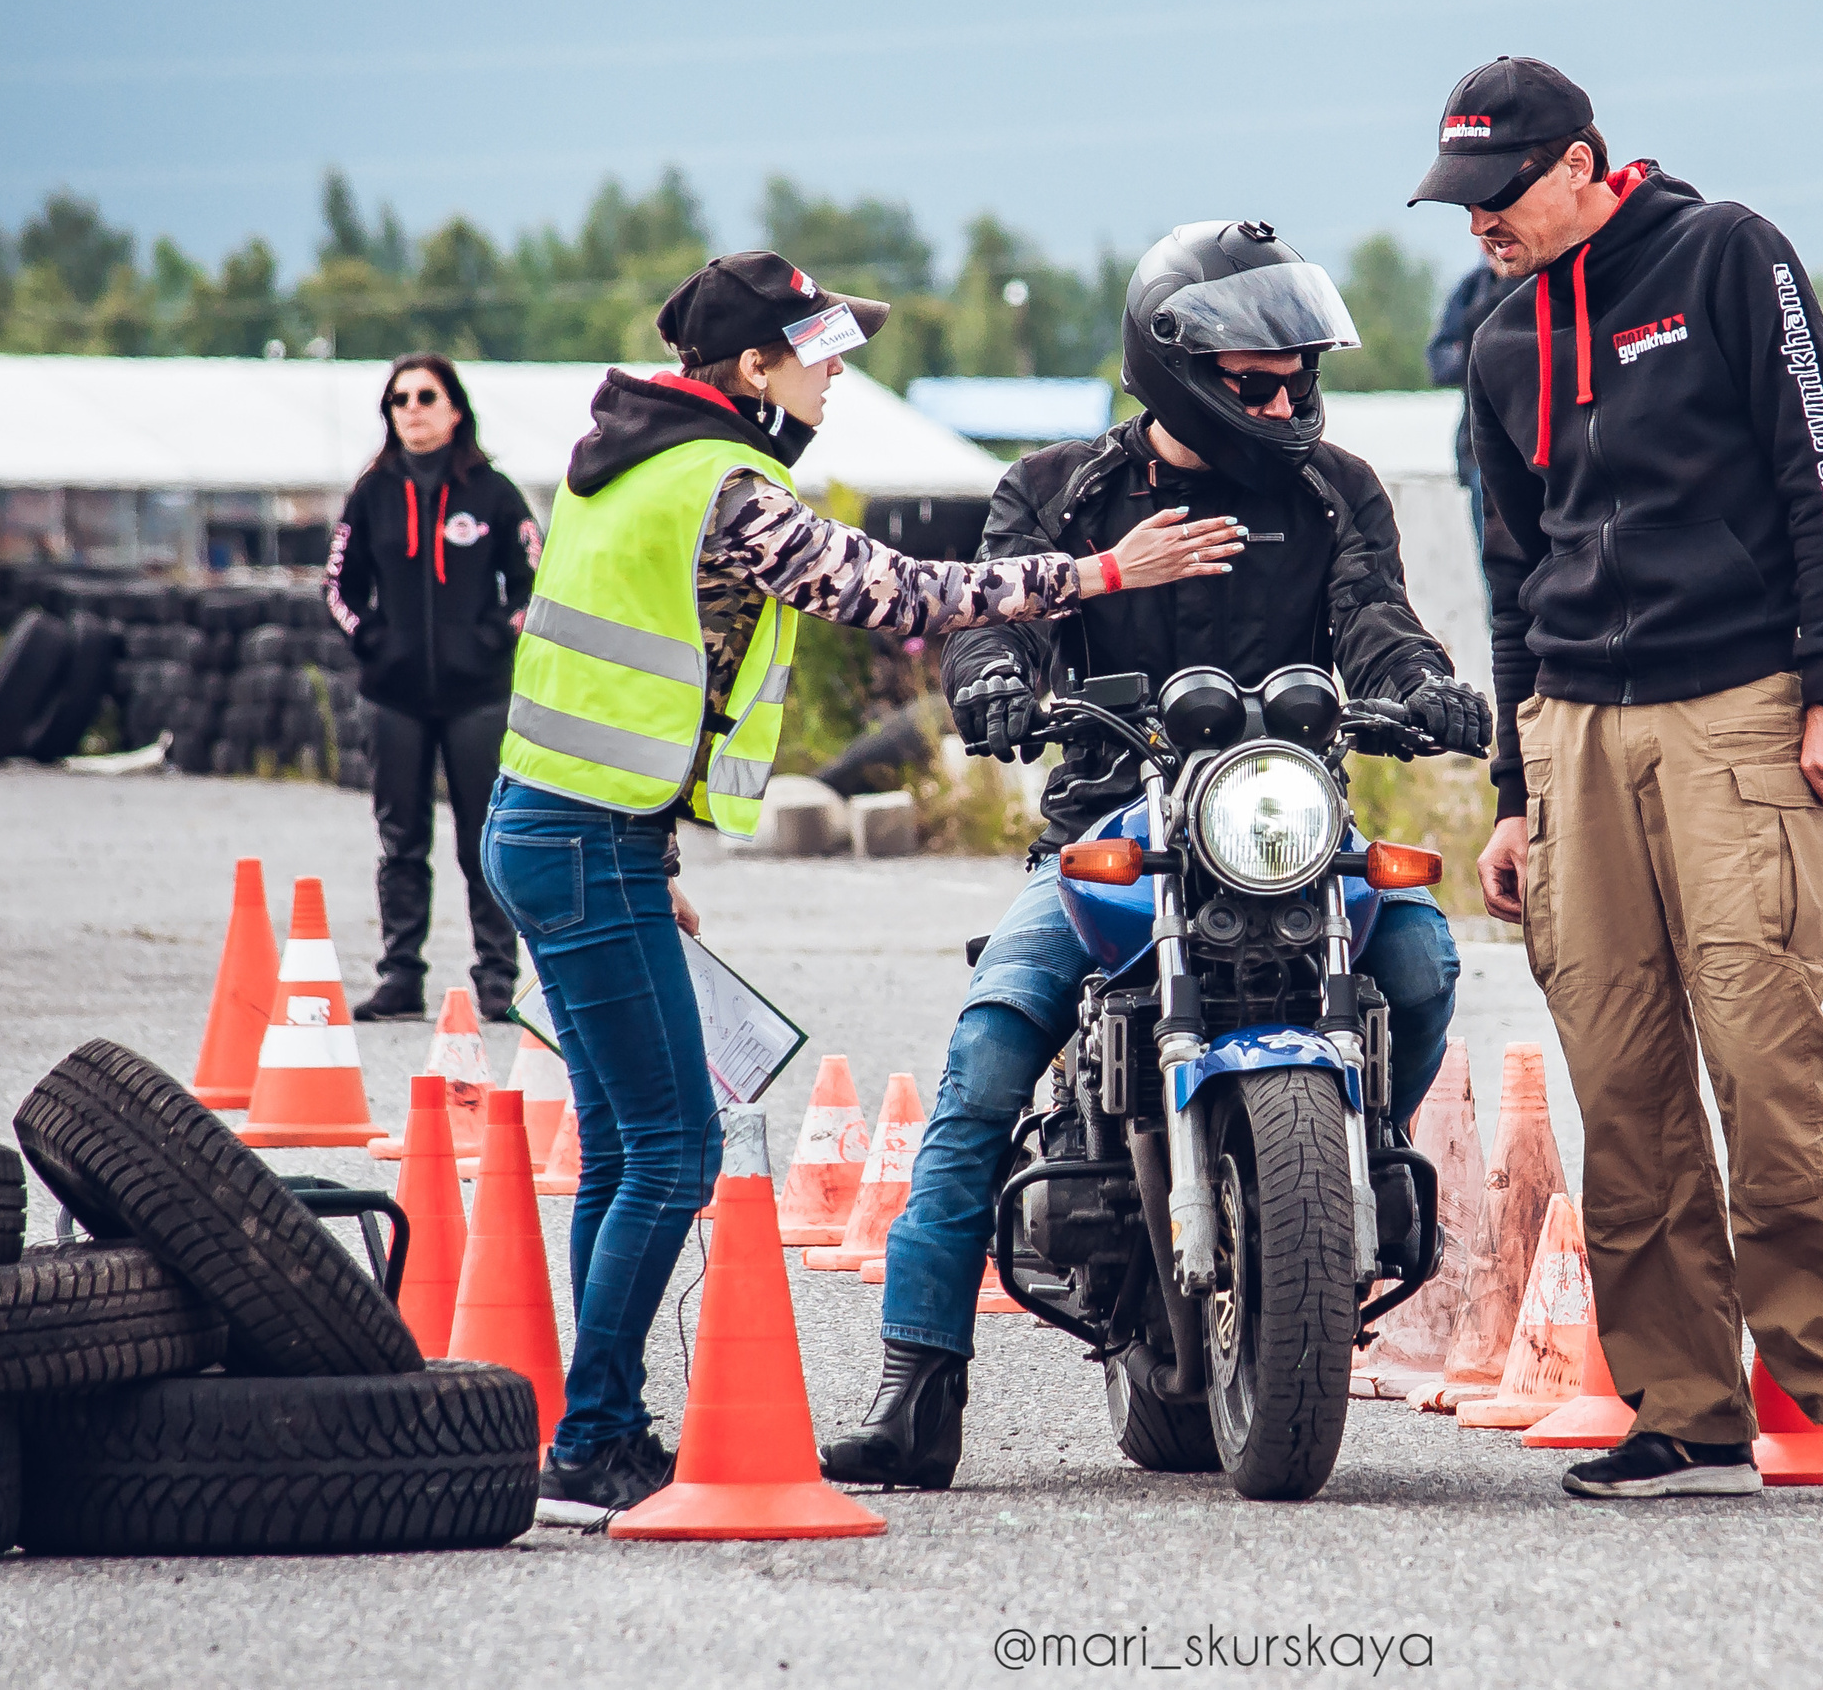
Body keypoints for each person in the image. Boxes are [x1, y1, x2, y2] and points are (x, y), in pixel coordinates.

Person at [481, 251, 1243, 1525]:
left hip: (568, 831)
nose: (837, 376)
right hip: (582, 839)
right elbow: (900, 591)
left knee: (625, 1144)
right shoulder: (720, 484)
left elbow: (621, 679)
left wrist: (655, 854)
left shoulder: (633, 461)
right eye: (821, 354)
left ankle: (595, 1424)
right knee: (670, 1151)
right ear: (753, 369)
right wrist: (1107, 572)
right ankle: (592, 1440)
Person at [820, 220, 1492, 1491]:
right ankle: (915, 1389)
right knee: (983, 1060)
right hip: (1106, 826)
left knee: (1419, 959)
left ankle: (1340, 1192)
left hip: (1284, 820)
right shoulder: (1060, 488)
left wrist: (1427, 688)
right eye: (1259, 381)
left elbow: (1379, 625)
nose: (1287, 398)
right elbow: (993, 615)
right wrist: (996, 686)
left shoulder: (1334, 488)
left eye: (1299, 376)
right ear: (1178, 365)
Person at [1414, 55, 1823, 1502]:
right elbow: (1511, 576)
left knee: (1771, 1062)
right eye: (1461, 200)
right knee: (1622, 1085)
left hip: (1736, 708)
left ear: (1582, 161)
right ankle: (1686, 1407)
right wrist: (1515, 786)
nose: (1478, 225)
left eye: (1497, 195)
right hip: (1574, 726)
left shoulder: (1725, 253)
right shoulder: (1500, 343)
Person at [324, 353, 537, 1024]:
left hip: (478, 696)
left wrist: (493, 638)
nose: (410, 408)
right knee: (400, 841)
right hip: (395, 696)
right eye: (398, 399)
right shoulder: (371, 493)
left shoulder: (495, 493)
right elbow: (338, 585)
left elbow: (537, 583)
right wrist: (372, 638)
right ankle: (400, 976)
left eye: (424, 395)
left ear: (454, 408)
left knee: (485, 839)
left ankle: (498, 978)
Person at [1425, 250, 1517, 559]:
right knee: (1498, 576)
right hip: (1481, 452)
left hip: (1539, 451)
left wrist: (1473, 347)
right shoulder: (1471, 288)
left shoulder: (1544, 279)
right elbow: (1439, 362)